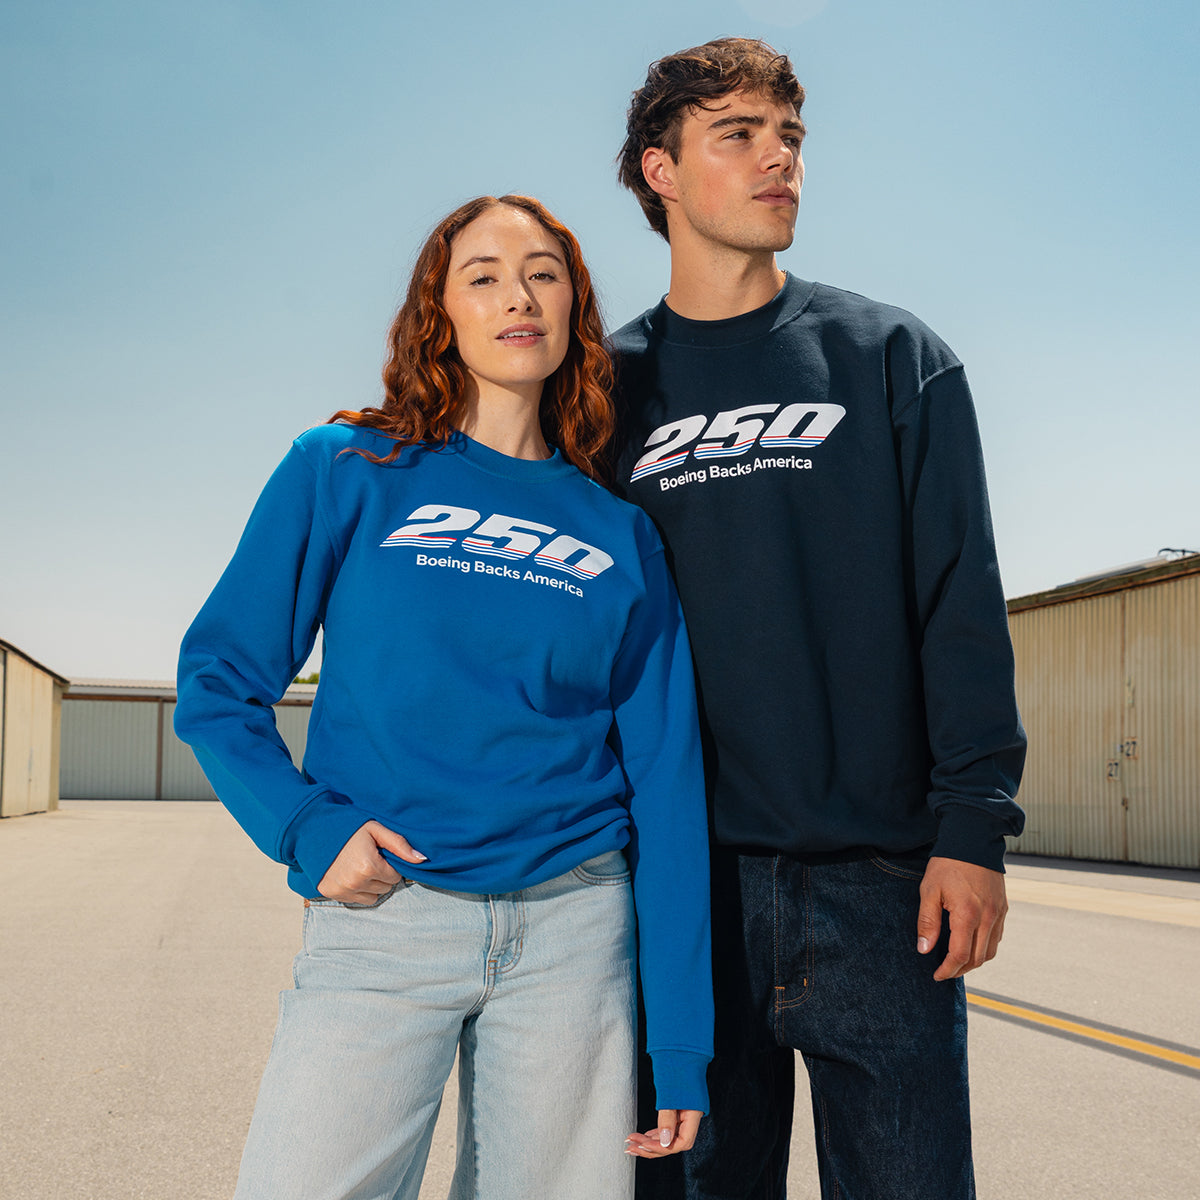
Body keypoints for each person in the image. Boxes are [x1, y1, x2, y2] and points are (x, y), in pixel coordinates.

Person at [174, 194, 712, 1200]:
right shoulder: (347, 469)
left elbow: (669, 785)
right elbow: (218, 684)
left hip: (573, 932)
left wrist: (679, 1042)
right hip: (389, 915)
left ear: (575, 310)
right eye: (485, 275)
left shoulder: (618, 533)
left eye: (545, 272)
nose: (520, 295)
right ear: (442, 314)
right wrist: (305, 828)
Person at [611, 38, 1027, 1200]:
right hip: (683, 892)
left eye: (789, 136)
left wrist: (972, 827)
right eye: (737, 136)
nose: (778, 159)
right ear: (661, 170)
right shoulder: (607, 394)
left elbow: (959, 602)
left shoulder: (894, 360)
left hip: (884, 891)